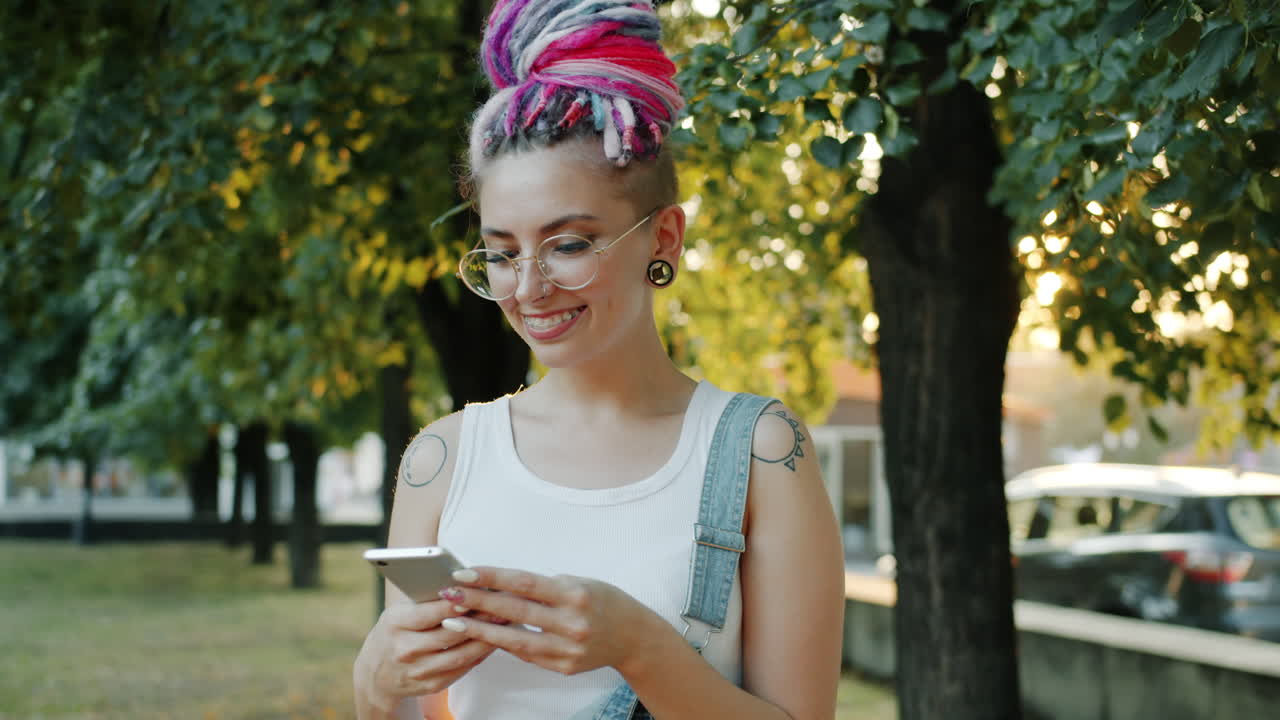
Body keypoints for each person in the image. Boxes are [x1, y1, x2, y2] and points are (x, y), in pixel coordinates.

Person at [352, 1, 844, 718]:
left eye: (570, 244)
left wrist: (638, 646)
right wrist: (373, 687)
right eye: (500, 253)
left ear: (664, 239)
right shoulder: (441, 460)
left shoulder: (761, 454)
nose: (528, 289)